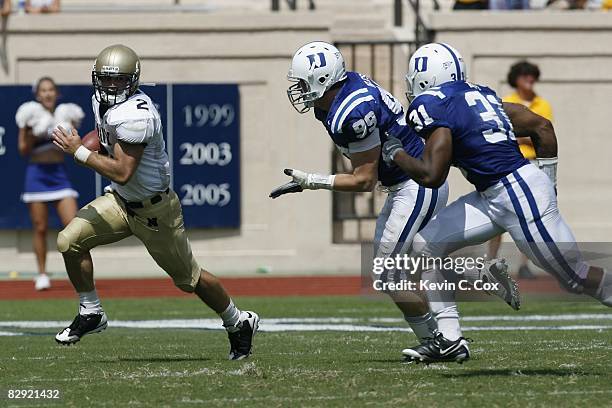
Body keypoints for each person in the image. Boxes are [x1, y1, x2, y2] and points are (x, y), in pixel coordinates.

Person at [272, 41, 517, 352]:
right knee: (391, 272)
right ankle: (443, 329)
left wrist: (312, 181)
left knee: (389, 274)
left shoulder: (350, 111)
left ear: (323, 80)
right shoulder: (338, 98)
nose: (298, 89)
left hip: (415, 184)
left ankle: (448, 329)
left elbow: (363, 180)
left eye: (303, 82)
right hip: (405, 183)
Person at [382, 42, 612, 363]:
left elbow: (432, 175)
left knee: (575, 277)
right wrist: (549, 181)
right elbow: (541, 127)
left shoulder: (433, 104)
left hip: (516, 191)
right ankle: (450, 340)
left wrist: (397, 154)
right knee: (425, 244)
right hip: (494, 195)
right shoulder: (482, 96)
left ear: (424, 78)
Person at [51, 44, 259, 360]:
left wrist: (79, 151)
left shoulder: (138, 115)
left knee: (190, 280)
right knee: (69, 241)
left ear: (133, 81)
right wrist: (90, 141)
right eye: (106, 80)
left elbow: (122, 171)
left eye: (118, 80)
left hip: (155, 211)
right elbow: (106, 134)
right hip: (121, 204)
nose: (110, 87)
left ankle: (237, 321)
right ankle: (91, 311)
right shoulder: (101, 102)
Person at [488, 61, 554, 279]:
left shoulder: (542, 104)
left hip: (534, 166)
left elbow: (543, 136)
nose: (530, 80)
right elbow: (502, 135)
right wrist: (528, 136)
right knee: (500, 217)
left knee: (529, 218)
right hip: (511, 163)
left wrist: (522, 137)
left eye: (533, 76)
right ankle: (491, 262)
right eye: (526, 76)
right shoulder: (507, 101)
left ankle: (524, 264)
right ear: (516, 78)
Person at [15, 77, 81, 290]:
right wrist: (34, 132)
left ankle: (79, 273)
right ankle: (42, 274)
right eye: (43, 90)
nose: (48, 94)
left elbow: (73, 149)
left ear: (57, 93)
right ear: (38, 95)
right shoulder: (30, 116)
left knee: (74, 226)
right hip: (37, 175)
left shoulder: (65, 115)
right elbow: (23, 150)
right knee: (40, 227)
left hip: (59, 174)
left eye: (51, 90)